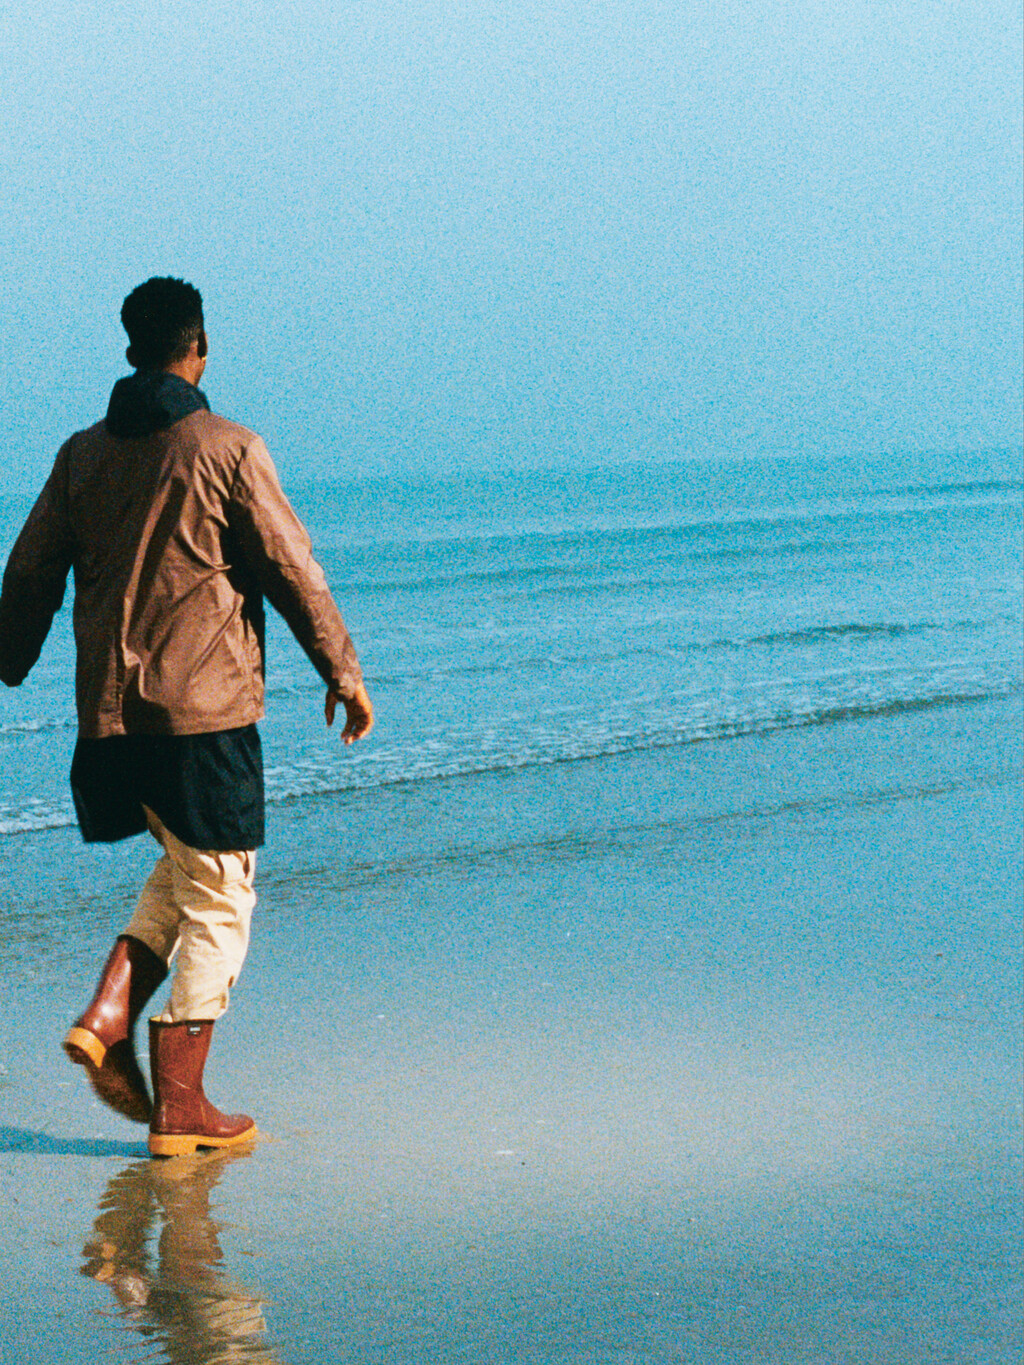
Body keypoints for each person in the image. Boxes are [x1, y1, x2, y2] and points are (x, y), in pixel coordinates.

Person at [0, 276, 373, 1157]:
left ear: (134, 350)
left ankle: (108, 1014)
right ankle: (181, 1105)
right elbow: (291, 567)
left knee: (186, 870)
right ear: (198, 347)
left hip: (111, 725)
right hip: (203, 721)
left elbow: (29, 569)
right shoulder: (227, 448)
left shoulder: (79, 456)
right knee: (223, 897)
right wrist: (344, 671)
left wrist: (9, 658)